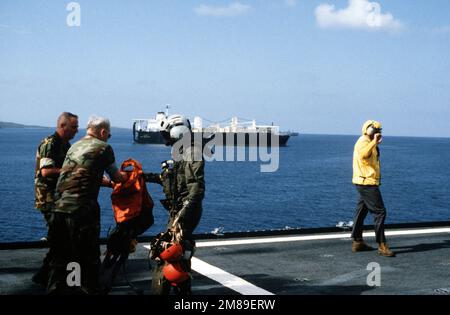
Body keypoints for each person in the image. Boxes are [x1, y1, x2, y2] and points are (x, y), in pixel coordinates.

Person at [46, 116, 128, 294]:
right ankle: (88, 290)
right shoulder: (104, 147)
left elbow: (79, 175)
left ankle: (57, 289)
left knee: (60, 258)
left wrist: (100, 180)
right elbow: (117, 177)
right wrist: (131, 175)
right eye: (109, 135)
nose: (109, 138)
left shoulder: (74, 146)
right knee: (88, 257)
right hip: (81, 211)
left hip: (58, 209)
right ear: (103, 132)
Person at [145, 114, 205, 295]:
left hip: (185, 211)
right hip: (180, 211)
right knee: (176, 255)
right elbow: (169, 179)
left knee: (169, 254)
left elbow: (196, 190)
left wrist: (182, 216)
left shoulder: (192, 153)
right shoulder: (182, 153)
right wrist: (143, 177)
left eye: (166, 134)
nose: (165, 139)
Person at [32, 112, 79, 287]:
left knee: (60, 237)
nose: (76, 130)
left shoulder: (65, 144)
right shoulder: (49, 144)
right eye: (73, 127)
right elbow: (46, 171)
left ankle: (46, 275)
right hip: (48, 198)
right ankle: (49, 277)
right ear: (62, 126)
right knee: (60, 239)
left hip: (59, 198)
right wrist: (73, 171)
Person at [351, 120, 395, 257]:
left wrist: (374, 143)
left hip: (364, 182)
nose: (378, 133)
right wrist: (374, 142)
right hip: (366, 183)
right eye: (376, 131)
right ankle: (382, 245)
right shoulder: (363, 142)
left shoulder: (369, 142)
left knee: (361, 211)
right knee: (380, 212)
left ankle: (357, 241)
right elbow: (364, 155)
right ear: (369, 130)